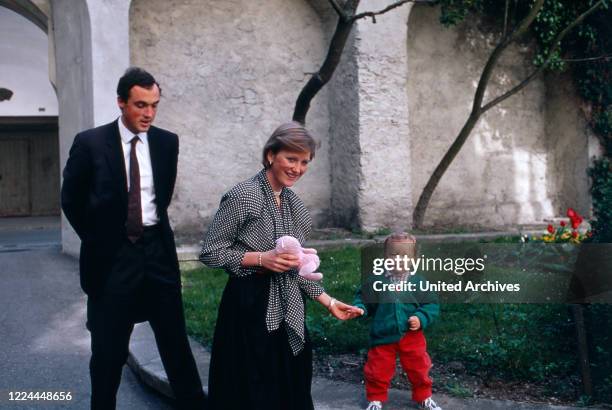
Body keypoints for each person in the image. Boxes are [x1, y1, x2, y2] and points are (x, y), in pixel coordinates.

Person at [61, 67, 206, 410]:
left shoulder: (167, 142)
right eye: (141, 105)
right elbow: (71, 199)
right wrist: (99, 240)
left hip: (158, 254)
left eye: (154, 105)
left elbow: (161, 196)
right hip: (111, 260)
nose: (149, 114)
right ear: (121, 103)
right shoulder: (90, 143)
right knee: (108, 353)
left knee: (176, 346)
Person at [200, 121, 363, 410]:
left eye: (304, 162)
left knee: (290, 385)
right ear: (271, 155)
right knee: (251, 389)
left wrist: (329, 302)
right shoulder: (244, 196)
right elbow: (211, 252)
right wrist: (262, 258)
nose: (297, 168)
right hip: (248, 307)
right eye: (291, 158)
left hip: (289, 307)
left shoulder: (295, 206)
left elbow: (296, 267)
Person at [353, 233, 441, 410]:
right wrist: (360, 308)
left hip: (411, 336)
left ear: (414, 259)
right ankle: (375, 398)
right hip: (383, 334)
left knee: (419, 367)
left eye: (405, 255)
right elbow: (363, 298)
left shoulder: (418, 282)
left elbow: (431, 304)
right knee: (378, 368)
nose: (399, 259)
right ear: (385, 257)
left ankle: (423, 396)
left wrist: (421, 317)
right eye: (393, 255)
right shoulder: (376, 281)